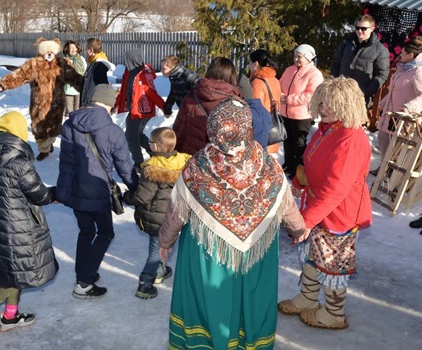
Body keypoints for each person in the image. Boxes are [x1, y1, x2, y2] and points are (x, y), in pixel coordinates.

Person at [159, 97, 307, 349]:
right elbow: (287, 203)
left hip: (209, 254)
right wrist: (299, 229)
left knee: (210, 300)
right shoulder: (268, 165)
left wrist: (165, 242)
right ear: (246, 129)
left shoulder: (197, 166)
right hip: (255, 254)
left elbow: (176, 212)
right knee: (250, 299)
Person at [278, 77, 372, 330]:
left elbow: (336, 188)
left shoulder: (350, 138)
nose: (324, 107)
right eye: (322, 101)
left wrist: (306, 221)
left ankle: (333, 313)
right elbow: (316, 166)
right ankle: (308, 299)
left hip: (339, 215)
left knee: (333, 265)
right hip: (318, 207)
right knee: (311, 257)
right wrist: (301, 181)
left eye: (332, 103)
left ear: (348, 105)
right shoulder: (326, 130)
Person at [0, 111, 58, 332]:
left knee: (15, 271)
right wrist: (59, 192)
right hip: (19, 227)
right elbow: (42, 197)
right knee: (16, 273)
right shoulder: (20, 164)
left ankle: (10, 316)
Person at [57, 84, 138, 299]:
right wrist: (136, 188)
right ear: (110, 104)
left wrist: (63, 192)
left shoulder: (70, 125)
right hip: (98, 192)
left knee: (86, 232)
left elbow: (66, 162)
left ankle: (84, 275)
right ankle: (83, 282)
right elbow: (124, 166)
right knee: (105, 233)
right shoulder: (113, 131)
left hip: (76, 192)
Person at [122, 127, 190, 299]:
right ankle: (160, 269)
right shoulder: (183, 162)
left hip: (156, 218)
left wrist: (127, 197)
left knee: (156, 249)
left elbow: (142, 197)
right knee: (163, 245)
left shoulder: (153, 168)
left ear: (157, 147)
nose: (149, 145)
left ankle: (145, 282)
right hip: (175, 216)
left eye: (151, 142)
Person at [0, 38, 83, 161]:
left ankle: (49, 144)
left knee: (54, 128)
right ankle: (44, 150)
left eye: (51, 52)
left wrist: (89, 88)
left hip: (56, 103)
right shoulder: (33, 64)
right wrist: (3, 84)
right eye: (46, 52)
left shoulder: (62, 63)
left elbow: (75, 78)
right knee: (39, 128)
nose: (49, 55)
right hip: (39, 105)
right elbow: (19, 75)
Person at [172, 57, 242, 156]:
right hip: (222, 161)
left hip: (192, 158)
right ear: (232, 75)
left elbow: (179, 130)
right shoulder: (236, 102)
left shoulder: (191, 97)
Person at [114, 48, 165, 170]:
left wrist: (164, 106)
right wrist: (116, 104)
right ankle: (154, 154)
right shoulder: (129, 72)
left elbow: (151, 92)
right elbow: (124, 91)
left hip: (142, 110)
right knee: (137, 134)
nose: (125, 61)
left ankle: (139, 163)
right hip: (134, 109)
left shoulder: (144, 74)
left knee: (131, 137)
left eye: (127, 59)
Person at [279, 44, 324, 179]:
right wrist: (280, 94)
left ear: (308, 57)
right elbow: (280, 84)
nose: (296, 59)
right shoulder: (289, 70)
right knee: (287, 140)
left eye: (299, 56)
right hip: (285, 113)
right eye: (295, 56)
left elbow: (311, 95)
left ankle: (297, 168)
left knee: (299, 143)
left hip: (302, 115)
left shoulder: (314, 74)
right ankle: (288, 164)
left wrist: (289, 99)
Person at [376, 36, 422, 160]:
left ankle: (389, 172)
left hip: (402, 116)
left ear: (411, 55)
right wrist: (383, 102)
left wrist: (409, 106)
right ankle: (383, 166)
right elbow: (394, 90)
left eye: (402, 52)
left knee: (396, 146)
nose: (399, 54)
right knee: (382, 137)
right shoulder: (401, 68)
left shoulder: (418, 72)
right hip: (389, 113)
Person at [331, 14, 390, 106]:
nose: (359, 31)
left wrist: (366, 92)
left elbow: (382, 75)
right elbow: (336, 63)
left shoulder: (380, 50)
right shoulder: (346, 43)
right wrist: (334, 82)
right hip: (340, 93)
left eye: (363, 28)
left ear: (372, 28)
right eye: (357, 28)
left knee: (355, 120)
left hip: (360, 98)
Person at [249, 49, 283, 154]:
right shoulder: (275, 80)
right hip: (272, 129)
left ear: (256, 64)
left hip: (261, 134)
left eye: (249, 62)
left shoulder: (257, 83)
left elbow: (255, 111)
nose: (248, 66)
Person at [80, 37, 115, 107]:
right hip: (89, 101)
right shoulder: (93, 62)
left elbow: (102, 86)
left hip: (93, 103)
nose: (86, 50)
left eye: (87, 48)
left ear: (91, 49)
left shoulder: (99, 65)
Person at [63, 40, 86, 116]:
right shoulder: (64, 60)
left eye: (74, 47)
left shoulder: (81, 59)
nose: (73, 50)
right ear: (67, 49)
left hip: (79, 89)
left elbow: (85, 72)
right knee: (70, 112)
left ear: (77, 48)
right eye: (71, 48)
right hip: (68, 89)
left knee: (78, 111)